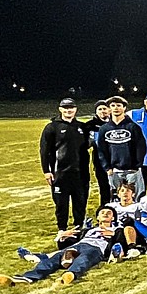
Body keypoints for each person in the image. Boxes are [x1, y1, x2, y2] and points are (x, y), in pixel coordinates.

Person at [0, 205, 125, 288]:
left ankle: (70, 275)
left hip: (96, 249)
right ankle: (26, 278)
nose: (106, 213)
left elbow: (121, 243)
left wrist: (113, 234)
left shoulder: (117, 228)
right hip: (79, 245)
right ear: (97, 217)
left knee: (85, 259)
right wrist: (65, 236)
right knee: (53, 259)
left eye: (109, 212)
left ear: (113, 217)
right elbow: (63, 244)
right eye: (103, 212)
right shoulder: (88, 230)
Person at [40, 96, 92, 242]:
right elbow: (45, 151)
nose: (69, 110)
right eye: (66, 108)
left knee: (80, 202)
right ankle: (62, 229)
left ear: (76, 109)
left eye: (71, 108)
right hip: (60, 173)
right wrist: (47, 171)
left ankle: (78, 228)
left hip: (80, 174)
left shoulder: (82, 127)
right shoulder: (52, 127)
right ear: (60, 109)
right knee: (61, 204)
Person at [97, 95, 147, 201]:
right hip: (114, 171)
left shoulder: (133, 127)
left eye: (119, 105)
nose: (116, 108)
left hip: (132, 170)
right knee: (116, 198)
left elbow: (141, 147)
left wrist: (137, 165)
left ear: (124, 108)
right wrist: (107, 168)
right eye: (113, 105)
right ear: (109, 109)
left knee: (137, 198)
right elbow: (101, 150)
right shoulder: (104, 129)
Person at [88, 98, 113, 209]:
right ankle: (105, 208)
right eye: (100, 109)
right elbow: (87, 143)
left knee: (118, 186)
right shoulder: (90, 125)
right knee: (103, 186)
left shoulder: (116, 123)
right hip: (100, 162)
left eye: (105, 108)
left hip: (116, 161)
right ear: (96, 111)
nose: (103, 111)